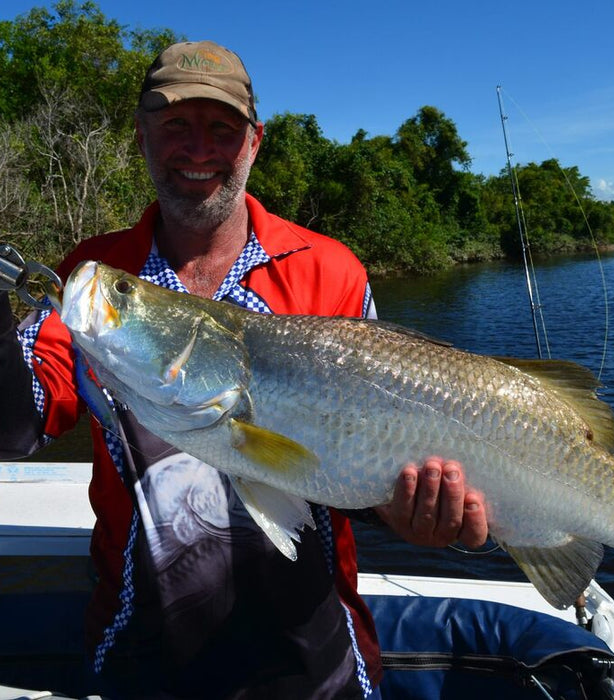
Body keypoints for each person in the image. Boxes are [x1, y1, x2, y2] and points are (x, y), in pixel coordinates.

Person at [0, 40, 487, 699]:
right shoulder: (95, 275)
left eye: (222, 129)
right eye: (174, 125)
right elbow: (19, 417)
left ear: (255, 142)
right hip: (139, 652)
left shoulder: (331, 270)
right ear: (141, 135)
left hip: (314, 657)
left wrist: (417, 515)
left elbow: (368, 466)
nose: (198, 149)